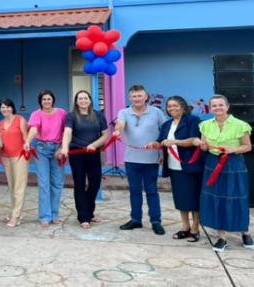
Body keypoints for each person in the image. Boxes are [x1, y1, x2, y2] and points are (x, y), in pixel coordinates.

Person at [193, 94, 254, 252]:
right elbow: (206, 148)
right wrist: (199, 143)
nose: (217, 108)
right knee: (216, 197)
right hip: (213, 163)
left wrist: (234, 149)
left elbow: (247, 146)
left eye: (221, 105)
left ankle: (245, 232)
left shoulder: (240, 125)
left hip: (233, 163)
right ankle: (222, 237)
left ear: (227, 107)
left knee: (236, 197)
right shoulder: (205, 125)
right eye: (214, 105)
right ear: (210, 108)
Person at [147, 96, 203, 242]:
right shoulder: (167, 124)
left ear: (183, 106)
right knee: (181, 198)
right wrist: (154, 144)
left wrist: (175, 142)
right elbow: (161, 142)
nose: (172, 108)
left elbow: (194, 140)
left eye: (175, 105)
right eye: (169, 106)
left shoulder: (193, 121)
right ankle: (185, 227)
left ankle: (195, 228)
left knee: (193, 198)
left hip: (190, 165)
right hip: (173, 165)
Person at [112, 85, 166, 235]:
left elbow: (164, 131)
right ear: (130, 98)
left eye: (140, 96)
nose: (137, 99)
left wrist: (162, 151)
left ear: (146, 96)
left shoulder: (156, 112)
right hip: (132, 159)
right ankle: (136, 219)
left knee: (152, 190)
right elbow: (120, 123)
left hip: (151, 159)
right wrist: (117, 130)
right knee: (135, 190)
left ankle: (156, 221)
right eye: (134, 96)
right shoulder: (124, 112)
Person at [61, 90, 109, 229]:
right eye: (80, 98)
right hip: (77, 153)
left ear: (90, 100)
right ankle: (84, 216)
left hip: (94, 152)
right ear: (76, 101)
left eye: (85, 98)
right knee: (80, 185)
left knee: (95, 184)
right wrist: (65, 147)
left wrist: (94, 144)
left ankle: (89, 211)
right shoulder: (71, 116)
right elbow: (68, 132)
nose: (83, 101)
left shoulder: (98, 115)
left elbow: (105, 134)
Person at [25, 89, 68, 228]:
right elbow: (33, 129)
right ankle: (45, 216)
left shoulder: (61, 113)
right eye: (44, 99)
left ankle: (54, 214)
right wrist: (27, 141)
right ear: (40, 101)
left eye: (49, 99)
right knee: (44, 184)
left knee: (57, 183)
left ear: (53, 100)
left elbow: (66, 132)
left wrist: (62, 147)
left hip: (57, 150)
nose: (47, 101)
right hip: (41, 150)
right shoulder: (36, 114)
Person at [0, 98, 29, 228]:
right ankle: (16, 213)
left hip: (20, 156)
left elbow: (26, 139)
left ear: (12, 108)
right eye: (2, 107)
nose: (5, 109)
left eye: (7, 107)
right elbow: (1, 143)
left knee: (19, 187)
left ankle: (15, 217)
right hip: (6, 157)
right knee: (11, 186)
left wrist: (27, 148)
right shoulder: (0, 124)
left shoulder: (20, 120)